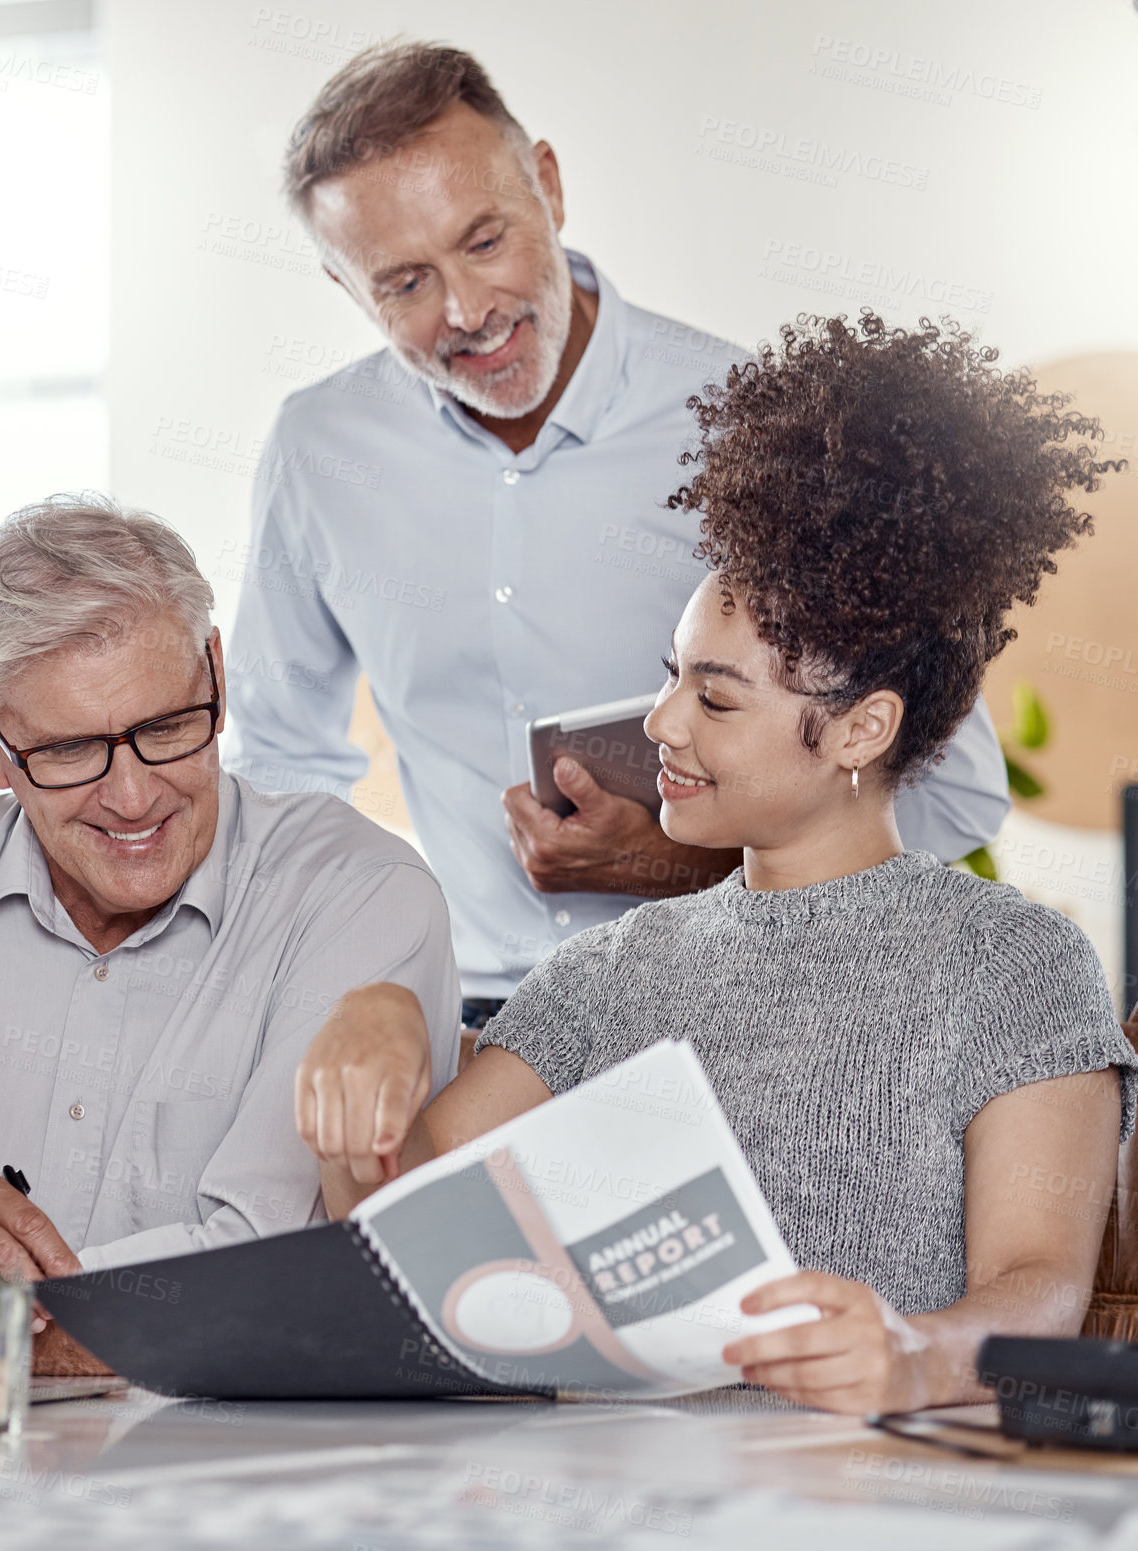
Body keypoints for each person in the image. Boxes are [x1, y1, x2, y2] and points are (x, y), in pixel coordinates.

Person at [293, 314, 1137, 1415]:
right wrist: (375, 1025)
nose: (660, 724)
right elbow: (392, 1234)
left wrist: (908, 1356)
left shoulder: (1009, 962)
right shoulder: (610, 973)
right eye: (670, 676)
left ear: (857, 731)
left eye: (715, 697)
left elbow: (1039, 1292)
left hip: (872, 1498)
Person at [226, 42, 1011, 1021]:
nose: (467, 312)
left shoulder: (756, 424)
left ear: (549, 187)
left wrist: (679, 860)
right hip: (471, 1022)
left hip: (740, 1007)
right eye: (404, 284)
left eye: (483, 241)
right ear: (348, 288)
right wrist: (348, 996)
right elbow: (281, 763)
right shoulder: (319, 448)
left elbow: (949, 792)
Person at [0, 495, 460, 1371]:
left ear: (215, 669)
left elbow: (269, 1273)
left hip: (234, 1489)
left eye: (167, 728)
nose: (135, 799)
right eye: (69, 751)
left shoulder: (361, 897)